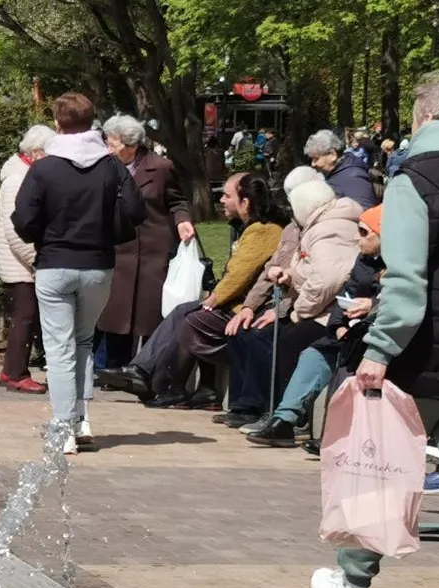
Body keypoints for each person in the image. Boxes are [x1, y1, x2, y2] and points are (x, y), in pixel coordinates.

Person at [310, 73, 439, 588]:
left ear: (424, 116)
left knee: (378, 470)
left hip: (422, 353)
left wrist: (378, 350)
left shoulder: (414, 179)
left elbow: (406, 283)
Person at [11, 92, 144, 454]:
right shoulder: (111, 165)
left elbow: (22, 217)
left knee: (59, 349)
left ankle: (63, 428)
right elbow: (135, 209)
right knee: (84, 341)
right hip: (98, 265)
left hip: (54, 263)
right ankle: (82, 420)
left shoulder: (44, 167)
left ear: (57, 124)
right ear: (93, 122)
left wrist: (43, 238)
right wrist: (108, 233)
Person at [109, 171, 286, 406]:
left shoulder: (263, 230)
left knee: (195, 317)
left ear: (245, 202)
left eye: (227, 195)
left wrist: (214, 299)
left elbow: (239, 275)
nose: (221, 200)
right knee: (185, 310)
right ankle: (145, 371)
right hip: (236, 304)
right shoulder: (252, 228)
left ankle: (169, 384)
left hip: (250, 308)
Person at [214, 178, 360, 429]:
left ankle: (275, 413)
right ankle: (249, 407)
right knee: (248, 333)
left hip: (326, 312)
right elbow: (306, 268)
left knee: (279, 341)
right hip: (308, 305)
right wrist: (289, 275)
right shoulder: (312, 227)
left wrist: (297, 311)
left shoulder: (328, 230)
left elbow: (328, 281)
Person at [248, 203, 382, 447]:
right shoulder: (364, 261)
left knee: (344, 364)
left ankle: (338, 436)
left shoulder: (399, 264)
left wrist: (372, 305)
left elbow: (403, 299)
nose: (356, 237)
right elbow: (346, 294)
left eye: (364, 232)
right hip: (350, 330)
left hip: (378, 333)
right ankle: (285, 421)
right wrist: (339, 325)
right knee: (314, 353)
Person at [93, 114, 193, 375]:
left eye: (113, 143)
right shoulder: (104, 165)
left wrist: (182, 220)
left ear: (131, 145)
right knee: (116, 312)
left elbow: (176, 201)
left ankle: (148, 370)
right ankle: (113, 369)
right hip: (119, 248)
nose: (108, 148)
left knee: (149, 313)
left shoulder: (160, 167)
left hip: (152, 249)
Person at [0, 125, 54, 393]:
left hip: (23, 261)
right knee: (25, 316)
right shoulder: (17, 180)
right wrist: (36, 259)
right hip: (19, 262)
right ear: (35, 152)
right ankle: (17, 373)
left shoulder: (25, 175)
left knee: (25, 316)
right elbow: (14, 230)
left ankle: (11, 371)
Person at [306, 128, 379, 208]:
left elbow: (365, 214)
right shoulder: (336, 173)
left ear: (332, 155)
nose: (313, 164)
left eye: (316, 158)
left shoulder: (353, 178)